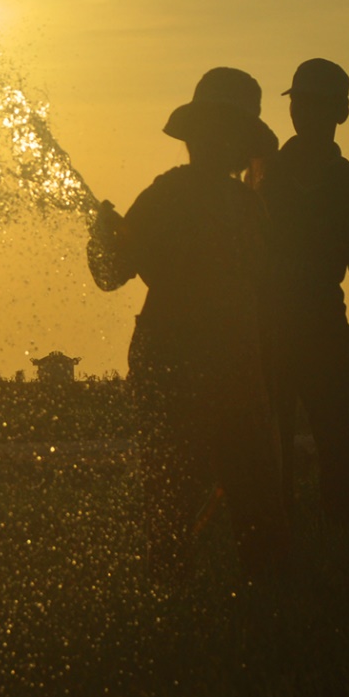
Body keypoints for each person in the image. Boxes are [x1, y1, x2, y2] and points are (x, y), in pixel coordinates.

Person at [88, 67, 288, 580]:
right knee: (247, 497)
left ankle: (176, 596)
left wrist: (104, 235)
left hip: (179, 361)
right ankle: (258, 602)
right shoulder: (244, 206)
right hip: (224, 364)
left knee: (173, 498)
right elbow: (265, 289)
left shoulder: (172, 197)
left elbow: (111, 274)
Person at [259, 58, 349, 524]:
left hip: (324, 325)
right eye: (300, 104)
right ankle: (275, 530)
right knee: (271, 440)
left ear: (341, 113)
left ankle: (340, 530)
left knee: (334, 438)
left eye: (316, 106)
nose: (303, 114)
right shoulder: (265, 173)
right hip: (268, 325)